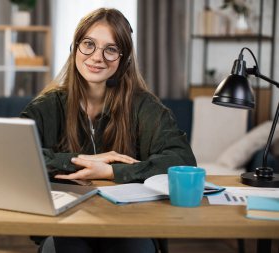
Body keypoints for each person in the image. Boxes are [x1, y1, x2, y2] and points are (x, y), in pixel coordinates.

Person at [21, 7, 196, 253]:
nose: (97, 57)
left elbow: (182, 159)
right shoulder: (46, 106)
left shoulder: (144, 106)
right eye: (89, 44)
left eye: (110, 49)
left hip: (131, 224)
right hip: (65, 223)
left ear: (123, 59)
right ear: (75, 48)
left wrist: (112, 171)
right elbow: (17, 157)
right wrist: (83, 162)